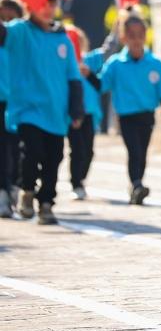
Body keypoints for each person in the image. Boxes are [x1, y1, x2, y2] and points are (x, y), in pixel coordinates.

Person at [0, 0, 84, 224]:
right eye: (42, 4)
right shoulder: (19, 31)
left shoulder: (63, 39)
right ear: (29, 5)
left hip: (56, 113)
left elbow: (73, 77)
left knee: (54, 157)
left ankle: (46, 203)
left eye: (51, 3)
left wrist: (76, 109)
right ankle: (27, 190)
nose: (47, 8)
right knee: (33, 151)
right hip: (27, 110)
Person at [100, 9, 161, 205]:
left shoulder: (155, 63)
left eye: (140, 36)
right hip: (125, 116)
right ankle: (136, 183)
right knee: (134, 150)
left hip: (146, 114)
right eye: (131, 36)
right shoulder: (116, 63)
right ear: (124, 37)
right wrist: (88, 75)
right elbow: (102, 84)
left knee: (143, 151)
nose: (136, 40)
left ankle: (137, 184)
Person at [66, 26, 103, 201]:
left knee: (88, 151)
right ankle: (75, 183)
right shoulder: (64, 64)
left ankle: (80, 179)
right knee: (77, 149)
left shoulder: (90, 60)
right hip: (72, 113)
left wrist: (119, 24)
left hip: (90, 113)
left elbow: (109, 50)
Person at [0, 0, 25, 218]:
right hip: (1, 102)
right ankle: (3, 193)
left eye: (11, 17)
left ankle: (15, 187)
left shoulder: (23, 42)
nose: (6, 23)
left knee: (17, 150)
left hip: (19, 103)